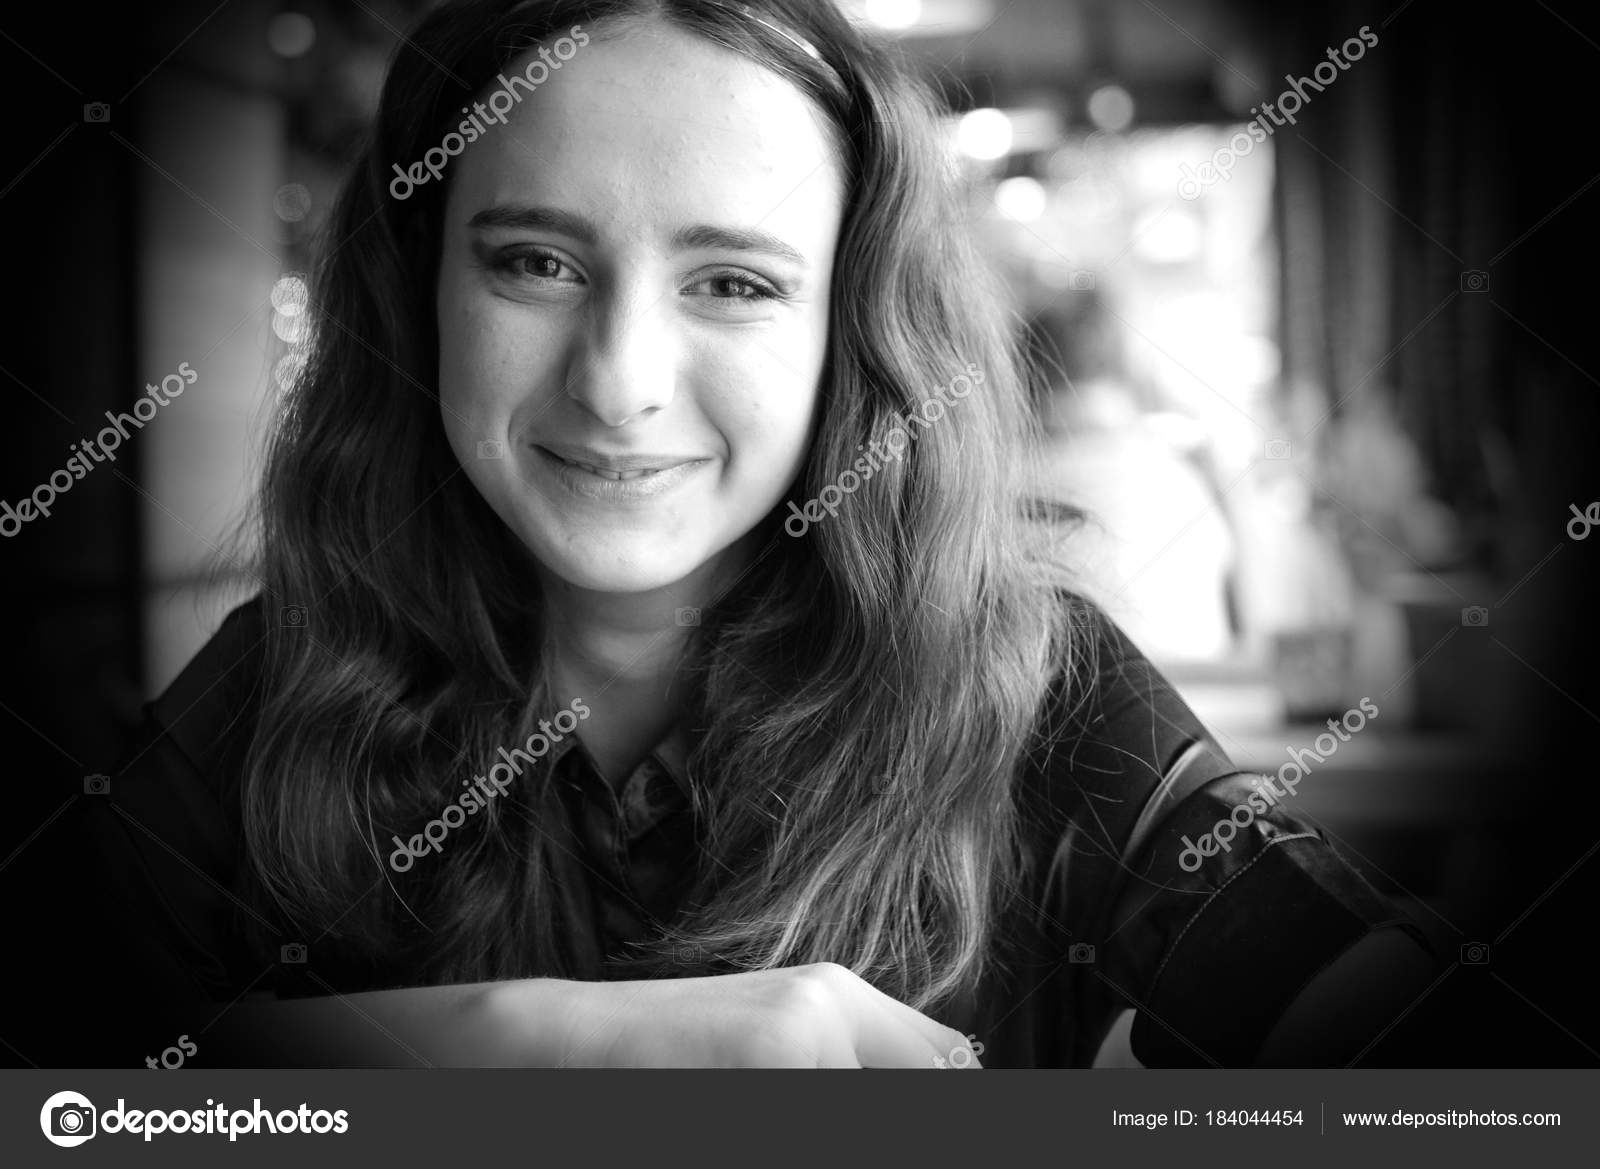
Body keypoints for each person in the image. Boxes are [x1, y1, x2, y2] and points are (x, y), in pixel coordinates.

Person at [78, 0, 1434, 1068]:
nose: (619, 380)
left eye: (732, 282)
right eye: (533, 261)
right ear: (424, 287)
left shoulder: (1031, 686)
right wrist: (526, 1048)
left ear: (847, 337)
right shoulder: (279, 688)